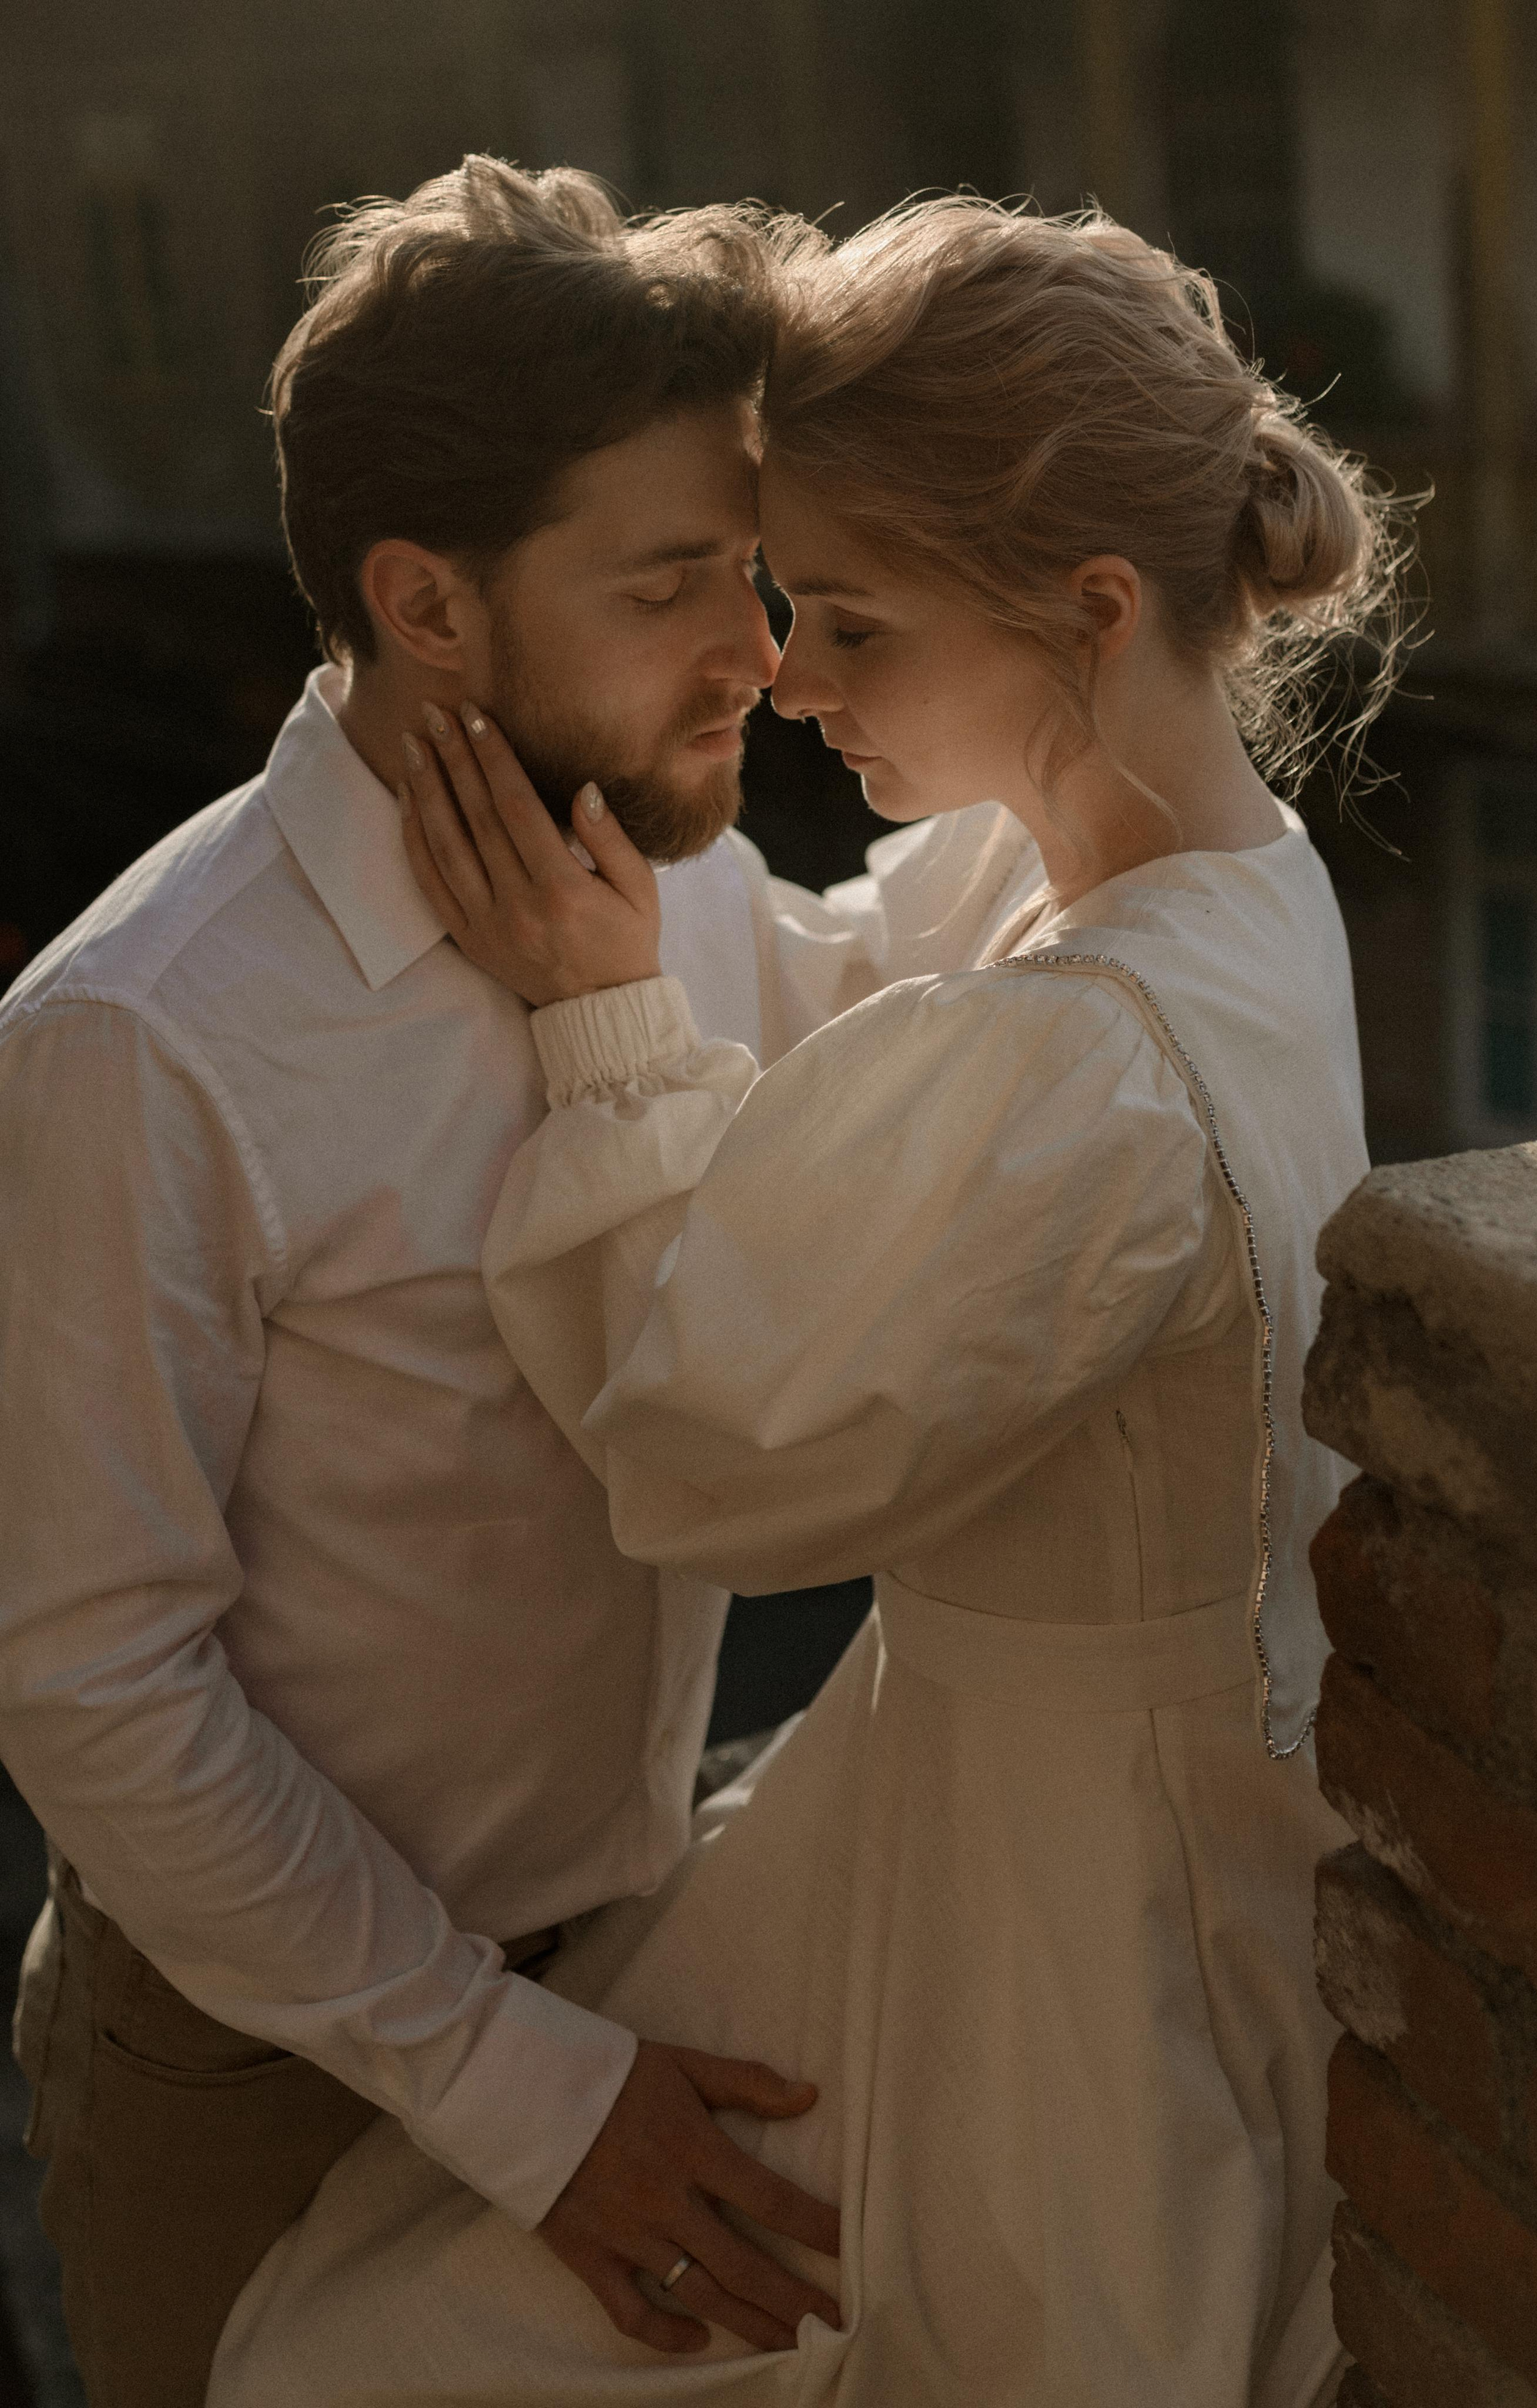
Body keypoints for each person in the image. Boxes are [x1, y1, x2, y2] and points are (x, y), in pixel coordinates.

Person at [208, 198, 1402, 2408]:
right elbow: (907, 1012)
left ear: (1091, 608)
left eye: (845, 617)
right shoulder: (1243, 886)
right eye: (768, 599)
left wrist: (599, 1028)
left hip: (1054, 1921)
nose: (791, 675)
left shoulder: (1076, 1061)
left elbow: (711, 1444)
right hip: (1116, 1817)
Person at [0, 161, 1041, 2408]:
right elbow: (91, 1680)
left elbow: (885, 990)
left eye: (748, 576)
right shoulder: (139, 1039)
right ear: (428, 607)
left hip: (655, 1973)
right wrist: (527, 2092)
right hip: (274, 2080)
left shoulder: (662, 874)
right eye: (674, 584)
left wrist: (1120, 695)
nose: (756, 657)